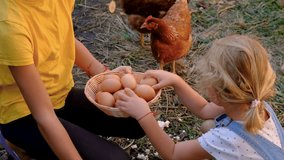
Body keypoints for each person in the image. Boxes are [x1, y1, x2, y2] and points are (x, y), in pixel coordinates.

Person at [0, 0, 144, 159]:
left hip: (61, 96)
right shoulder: (10, 26)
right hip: (23, 113)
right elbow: (43, 116)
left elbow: (62, 36)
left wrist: (103, 74)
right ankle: (19, 144)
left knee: (138, 120)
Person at [115, 35, 284, 159]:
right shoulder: (255, 102)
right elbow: (204, 109)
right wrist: (176, 81)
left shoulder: (228, 139)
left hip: (242, 148)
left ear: (216, 94)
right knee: (208, 124)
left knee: (210, 127)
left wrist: (143, 115)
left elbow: (173, 154)